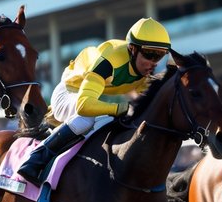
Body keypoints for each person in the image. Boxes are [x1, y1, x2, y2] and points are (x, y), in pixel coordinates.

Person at [16, 17, 172, 185]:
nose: (154, 62)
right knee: (90, 117)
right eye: (150, 54)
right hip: (67, 93)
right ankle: (37, 158)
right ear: (132, 49)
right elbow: (84, 105)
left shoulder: (146, 73)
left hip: (87, 98)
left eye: (160, 55)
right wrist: (120, 108)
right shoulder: (109, 62)